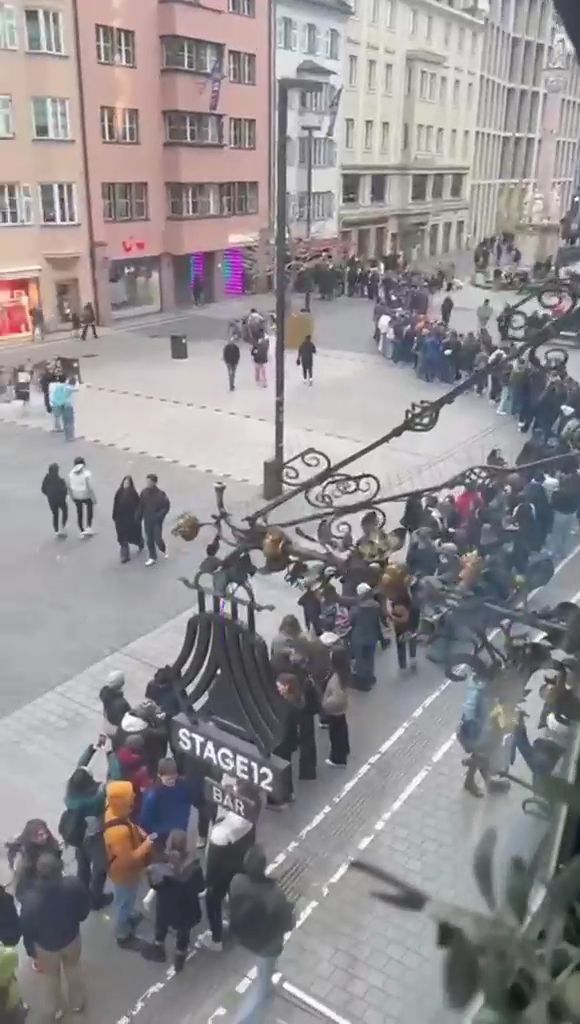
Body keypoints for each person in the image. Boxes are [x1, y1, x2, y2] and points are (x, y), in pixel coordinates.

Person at [229, 845, 295, 1024]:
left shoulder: (236, 881)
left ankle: (269, 977)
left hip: (247, 937)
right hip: (268, 944)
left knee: (265, 970)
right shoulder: (274, 894)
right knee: (262, 988)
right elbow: (287, 923)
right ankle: (245, 1020)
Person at [20, 852, 89, 1019]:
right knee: (73, 969)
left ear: (39, 872)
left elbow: (26, 928)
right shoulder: (73, 884)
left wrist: (31, 951)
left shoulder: (30, 898)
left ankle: (56, 1009)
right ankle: (77, 1002)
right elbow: (85, 906)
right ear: (59, 868)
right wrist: (79, 918)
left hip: (46, 946)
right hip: (71, 938)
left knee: (51, 978)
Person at [103, 781, 155, 949]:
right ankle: (122, 933)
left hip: (119, 871)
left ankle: (128, 917)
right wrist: (147, 844)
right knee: (124, 901)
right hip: (125, 874)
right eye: (129, 796)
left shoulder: (111, 812)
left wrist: (137, 830)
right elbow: (129, 859)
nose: (133, 797)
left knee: (126, 899)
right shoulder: (119, 833)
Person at [141, 830, 204, 971]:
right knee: (183, 932)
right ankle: (179, 958)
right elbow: (200, 887)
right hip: (187, 909)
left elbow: (154, 885)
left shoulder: (159, 867)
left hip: (166, 907)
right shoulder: (193, 867)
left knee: (161, 924)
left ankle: (159, 945)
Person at [62, 740, 112, 911]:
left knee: (83, 866)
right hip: (94, 835)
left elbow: (80, 767)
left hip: (77, 834)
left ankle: (81, 893)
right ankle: (96, 899)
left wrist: (92, 749)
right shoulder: (96, 798)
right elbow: (115, 776)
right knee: (100, 868)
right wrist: (109, 754)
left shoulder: (70, 795)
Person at [203, 787, 256, 951]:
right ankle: (241, 923)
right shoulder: (249, 818)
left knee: (212, 900)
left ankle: (216, 938)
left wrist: (207, 884)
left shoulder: (220, 832)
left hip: (222, 870)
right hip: (241, 865)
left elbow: (212, 867)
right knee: (237, 894)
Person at [140, 757, 198, 845]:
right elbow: (146, 818)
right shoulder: (152, 794)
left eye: (173, 778)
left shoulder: (183, 786)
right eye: (168, 779)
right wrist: (156, 833)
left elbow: (186, 806)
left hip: (178, 831)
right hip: (160, 834)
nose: (171, 781)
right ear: (159, 775)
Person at [350, 583, 384, 690]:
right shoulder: (376, 606)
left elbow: (351, 621)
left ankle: (363, 683)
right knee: (370, 658)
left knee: (360, 661)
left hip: (358, 638)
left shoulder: (356, 609)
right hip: (371, 636)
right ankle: (370, 677)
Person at [322, 647, 350, 767]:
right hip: (341, 710)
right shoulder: (344, 674)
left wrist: (325, 704)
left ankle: (337, 758)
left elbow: (336, 698)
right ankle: (345, 749)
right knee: (342, 729)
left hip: (334, 711)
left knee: (335, 734)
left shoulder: (336, 679)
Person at [140, 473, 170, 566]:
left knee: (158, 539)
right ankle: (152, 557)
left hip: (156, 521)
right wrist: (138, 516)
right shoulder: (144, 493)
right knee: (149, 539)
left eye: (149, 481)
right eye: (147, 481)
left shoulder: (161, 494)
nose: (147, 483)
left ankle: (163, 548)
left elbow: (166, 507)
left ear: (154, 482)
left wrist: (159, 516)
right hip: (147, 519)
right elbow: (141, 505)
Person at [112, 475, 143, 563]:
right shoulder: (119, 492)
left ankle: (140, 542)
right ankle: (125, 556)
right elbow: (115, 504)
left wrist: (138, 517)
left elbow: (138, 506)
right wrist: (114, 516)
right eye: (125, 482)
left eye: (128, 483)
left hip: (130, 519)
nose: (126, 484)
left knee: (133, 536)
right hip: (120, 519)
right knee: (122, 538)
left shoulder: (133, 493)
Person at [68, 456, 96, 537]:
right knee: (89, 508)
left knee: (79, 512)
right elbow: (90, 487)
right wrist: (93, 497)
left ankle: (81, 529)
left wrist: (72, 496)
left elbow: (69, 486)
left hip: (76, 496)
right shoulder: (87, 474)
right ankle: (88, 527)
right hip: (86, 495)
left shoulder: (70, 474)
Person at [41, 463, 69, 538]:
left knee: (55, 515)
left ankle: (56, 530)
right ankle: (63, 525)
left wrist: (49, 495)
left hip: (51, 500)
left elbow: (43, 490)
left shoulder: (46, 479)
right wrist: (64, 495)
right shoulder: (59, 479)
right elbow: (64, 490)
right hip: (61, 500)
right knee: (65, 511)